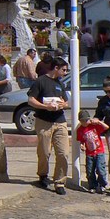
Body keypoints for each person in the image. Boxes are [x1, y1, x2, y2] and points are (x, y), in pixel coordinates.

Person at [27, 56, 70, 195]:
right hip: (44, 121)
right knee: (44, 152)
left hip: (60, 121)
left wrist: (64, 104)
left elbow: (66, 101)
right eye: (63, 70)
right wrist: (45, 106)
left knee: (63, 153)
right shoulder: (40, 81)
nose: (65, 72)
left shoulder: (60, 83)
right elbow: (31, 100)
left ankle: (59, 181)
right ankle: (43, 175)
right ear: (55, 68)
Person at [76, 109, 109, 194]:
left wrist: (99, 122)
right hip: (89, 153)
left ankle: (102, 185)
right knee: (90, 171)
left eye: (86, 120)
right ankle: (92, 185)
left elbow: (106, 127)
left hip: (99, 151)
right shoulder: (80, 130)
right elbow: (81, 140)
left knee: (100, 169)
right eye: (82, 121)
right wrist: (82, 145)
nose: (85, 122)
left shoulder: (94, 126)